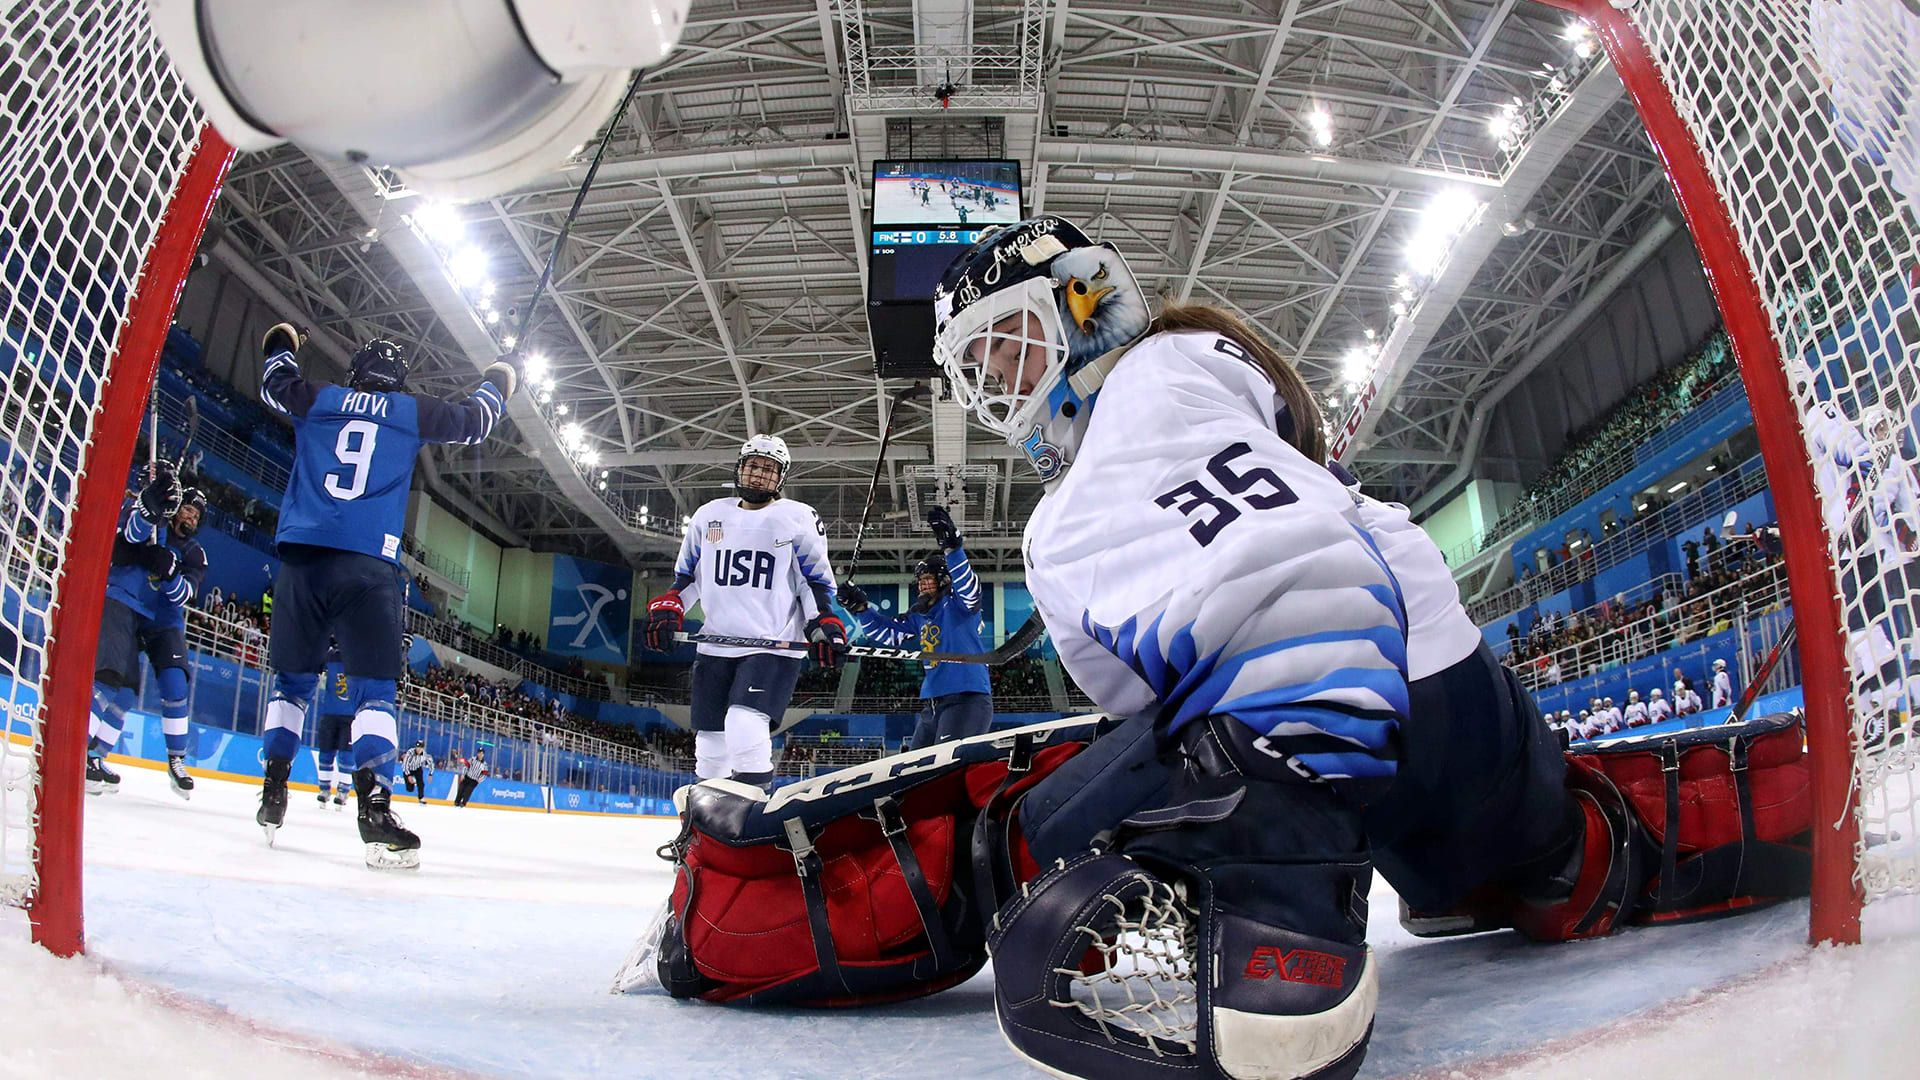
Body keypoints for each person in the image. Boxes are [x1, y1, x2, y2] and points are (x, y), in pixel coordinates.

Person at [924, 215, 1647, 1080]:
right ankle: (1560, 849)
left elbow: (1142, 702)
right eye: (983, 369)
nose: (1000, 381)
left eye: (1009, 346)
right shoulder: (1208, 361)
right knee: (1528, 864)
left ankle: (1276, 914)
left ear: (1085, 305)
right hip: (1461, 701)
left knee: (1026, 840)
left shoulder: (1080, 490)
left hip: (1304, 753)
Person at [254, 322, 515, 868]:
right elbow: (475, 422)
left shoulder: (320, 399)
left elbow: (274, 379)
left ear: (353, 375)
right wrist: (498, 379)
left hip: (302, 559)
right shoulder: (409, 411)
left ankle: (274, 788)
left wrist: (285, 341)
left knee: (293, 684)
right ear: (397, 383)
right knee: (375, 692)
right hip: (367, 566)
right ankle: (374, 808)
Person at [643, 434, 844, 791]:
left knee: (744, 724)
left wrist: (822, 622)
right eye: (753, 466)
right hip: (715, 642)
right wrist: (671, 607)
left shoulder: (797, 517)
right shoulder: (709, 515)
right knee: (709, 746)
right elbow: (688, 577)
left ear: (780, 478)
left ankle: (753, 821)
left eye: (769, 469)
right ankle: (704, 831)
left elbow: (814, 582)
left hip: (773, 643)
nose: (758, 475)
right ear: (740, 468)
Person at [86, 463, 207, 801]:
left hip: (156, 616)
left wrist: (169, 574)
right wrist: (148, 508)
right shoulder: (144, 515)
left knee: (136, 689)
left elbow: (185, 595)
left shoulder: (194, 552)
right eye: (187, 509)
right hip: (123, 603)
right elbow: (132, 534)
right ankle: (79, 751)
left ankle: (167, 759)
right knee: (110, 679)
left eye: (197, 515)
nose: (191, 517)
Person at [840, 507, 993, 751]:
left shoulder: (960, 605)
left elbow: (969, 588)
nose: (922, 585)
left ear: (944, 581)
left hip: (967, 699)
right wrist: (860, 608)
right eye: (920, 581)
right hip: (932, 704)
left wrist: (953, 549)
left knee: (944, 772)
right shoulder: (919, 616)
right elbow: (887, 634)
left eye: (928, 579)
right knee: (912, 771)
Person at [313, 643, 355, 810]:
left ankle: (343, 791)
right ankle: (324, 790)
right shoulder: (329, 655)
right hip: (329, 713)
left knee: (346, 756)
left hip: (350, 716)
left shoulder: (359, 656)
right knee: (325, 754)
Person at [400, 739, 434, 803]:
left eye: (420, 748)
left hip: (418, 768)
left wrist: (430, 774)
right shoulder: (410, 752)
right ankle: (412, 783)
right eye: (417, 747)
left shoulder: (425, 755)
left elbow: (431, 764)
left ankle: (421, 798)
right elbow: (405, 764)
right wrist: (408, 775)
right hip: (409, 769)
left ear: (423, 748)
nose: (418, 749)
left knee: (421, 783)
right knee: (410, 789)